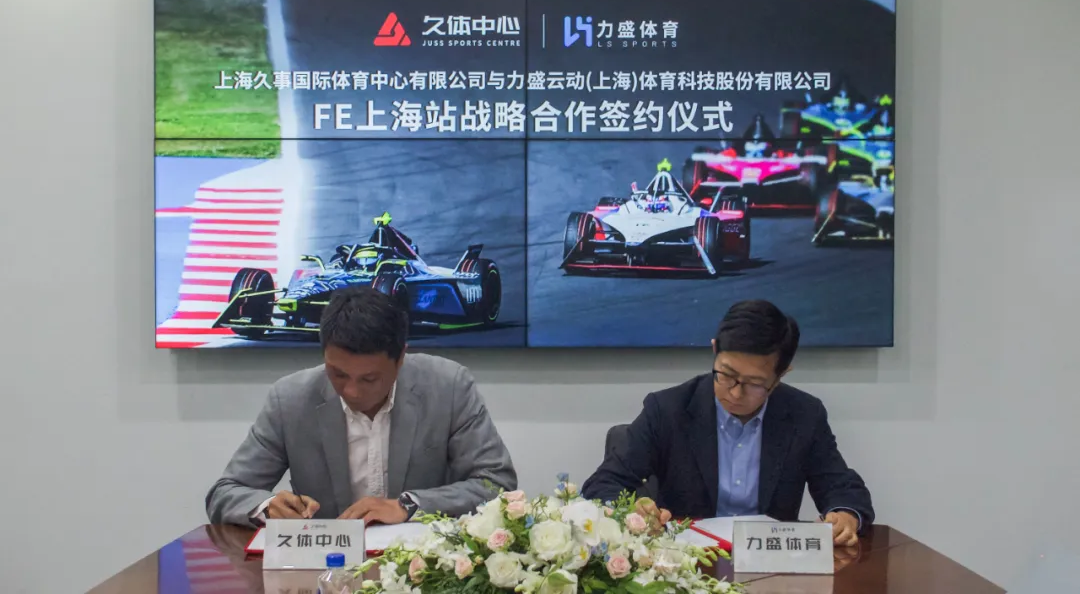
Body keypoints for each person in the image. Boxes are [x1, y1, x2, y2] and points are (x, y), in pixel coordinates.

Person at [205, 286, 517, 527]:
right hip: (324, 566)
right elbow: (225, 492)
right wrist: (267, 506)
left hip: (423, 566)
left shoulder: (448, 387)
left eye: (369, 379)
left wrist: (409, 506)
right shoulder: (290, 399)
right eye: (338, 374)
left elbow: (496, 484)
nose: (351, 391)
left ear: (401, 358)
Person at [581, 300, 873, 546]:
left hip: (769, 564)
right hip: (687, 565)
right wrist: (631, 509)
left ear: (781, 375)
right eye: (726, 375)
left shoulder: (804, 414)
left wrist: (845, 515)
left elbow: (841, 485)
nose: (735, 393)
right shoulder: (668, 409)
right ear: (714, 350)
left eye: (754, 383)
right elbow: (602, 484)